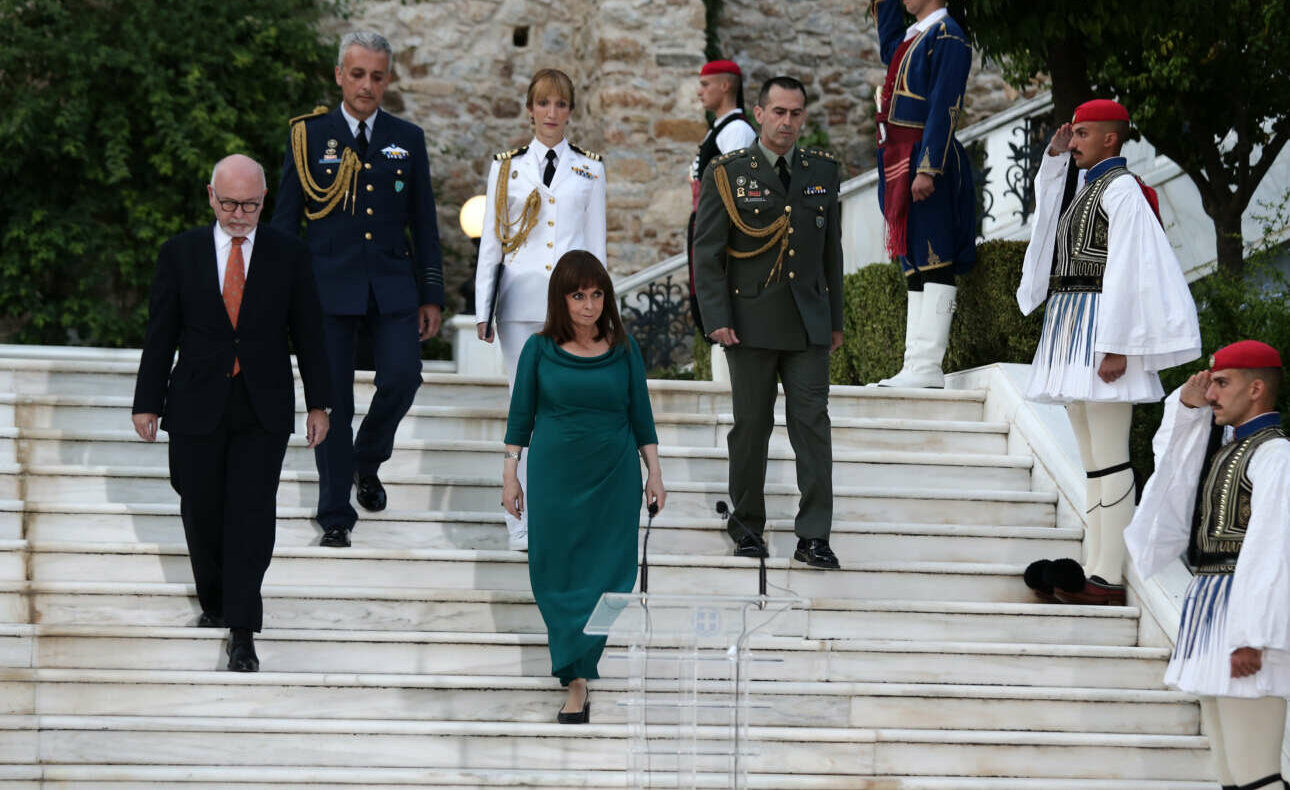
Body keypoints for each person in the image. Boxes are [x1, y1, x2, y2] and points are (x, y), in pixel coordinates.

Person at [132, 154, 332, 672]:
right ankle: (215, 599)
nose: (239, 215)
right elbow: (161, 333)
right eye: (229, 204)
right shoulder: (180, 253)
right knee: (199, 506)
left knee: (251, 514)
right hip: (195, 401)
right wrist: (147, 401)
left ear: (264, 201)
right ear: (210, 196)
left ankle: (243, 630)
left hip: (261, 404)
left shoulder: (289, 254)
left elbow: (309, 332)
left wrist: (319, 402)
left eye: (250, 205)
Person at [1017, 99, 1201, 605]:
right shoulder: (1087, 186)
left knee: (1111, 456)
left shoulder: (1122, 189)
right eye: (1073, 133)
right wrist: (1054, 159)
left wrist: (1118, 345)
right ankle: (1095, 566)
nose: (1073, 140)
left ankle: (1108, 575)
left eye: (1082, 134)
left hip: (1101, 330)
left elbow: (1129, 267)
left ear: (1110, 139)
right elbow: (1046, 214)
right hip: (1072, 326)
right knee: (1093, 460)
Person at [271, 31, 445, 549]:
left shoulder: (406, 137)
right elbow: (285, 223)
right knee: (332, 402)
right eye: (357, 74)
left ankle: (365, 460)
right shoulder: (308, 137)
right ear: (339, 76)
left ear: (387, 79)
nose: (367, 85)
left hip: (393, 286)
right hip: (326, 289)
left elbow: (424, 222)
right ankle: (334, 514)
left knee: (403, 377)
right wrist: (280, 295)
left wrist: (431, 293)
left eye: (377, 76)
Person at [502, 250, 665, 723]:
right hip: (554, 477)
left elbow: (641, 415)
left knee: (614, 575)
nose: (589, 305)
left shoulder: (624, 349)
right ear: (561, 299)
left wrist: (654, 472)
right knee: (555, 573)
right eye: (578, 296)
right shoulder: (538, 349)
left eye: (596, 295)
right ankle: (575, 675)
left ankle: (582, 664)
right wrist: (510, 474)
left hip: (614, 477)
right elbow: (520, 416)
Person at [692, 75, 845, 570]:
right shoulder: (728, 173)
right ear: (759, 113)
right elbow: (707, 252)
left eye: (796, 113)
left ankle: (814, 535)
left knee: (813, 427)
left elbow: (831, 252)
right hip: (749, 322)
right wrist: (716, 317)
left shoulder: (822, 171)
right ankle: (747, 527)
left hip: (807, 324)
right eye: (778, 112)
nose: (787, 122)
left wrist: (835, 320)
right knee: (751, 428)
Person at [1125, 341, 1290, 790]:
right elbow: (1172, 467)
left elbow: (1273, 547)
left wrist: (1252, 635)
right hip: (1212, 608)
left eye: (1222, 383)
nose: (1211, 394)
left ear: (1256, 389)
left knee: (1257, 775)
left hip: (1246, 619)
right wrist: (1187, 406)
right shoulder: (1228, 447)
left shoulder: (1276, 455)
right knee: (1231, 777)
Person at [474, 68, 607, 551]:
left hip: (571, 305)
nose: (552, 113)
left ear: (571, 111)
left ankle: (558, 511)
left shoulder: (590, 169)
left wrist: (600, 311)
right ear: (530, 109)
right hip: (519, 303)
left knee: (566, 409)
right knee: (523, 408)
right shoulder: (506, 167)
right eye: (544, 103)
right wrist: (483, 308)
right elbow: (492, 240)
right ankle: (519, 521)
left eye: (561, 104)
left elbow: (595, 247)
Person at [870, 0, 976, 389]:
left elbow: (945, 104)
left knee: (935, 260)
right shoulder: (913, 37)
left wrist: (930, 166)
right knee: (914, 263)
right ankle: (914, 364)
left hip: (924, 160)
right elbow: (889, 46)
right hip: (901, 158)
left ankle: (928, 365)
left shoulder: (948, 36)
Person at [686, 59, 758, 338]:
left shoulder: (737, 131)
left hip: (718, 230)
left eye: (706, 84)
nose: (699, 91)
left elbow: (736, 193)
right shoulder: (720, 129)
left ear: (725, 85)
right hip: (705, 224)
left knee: (720, 315)